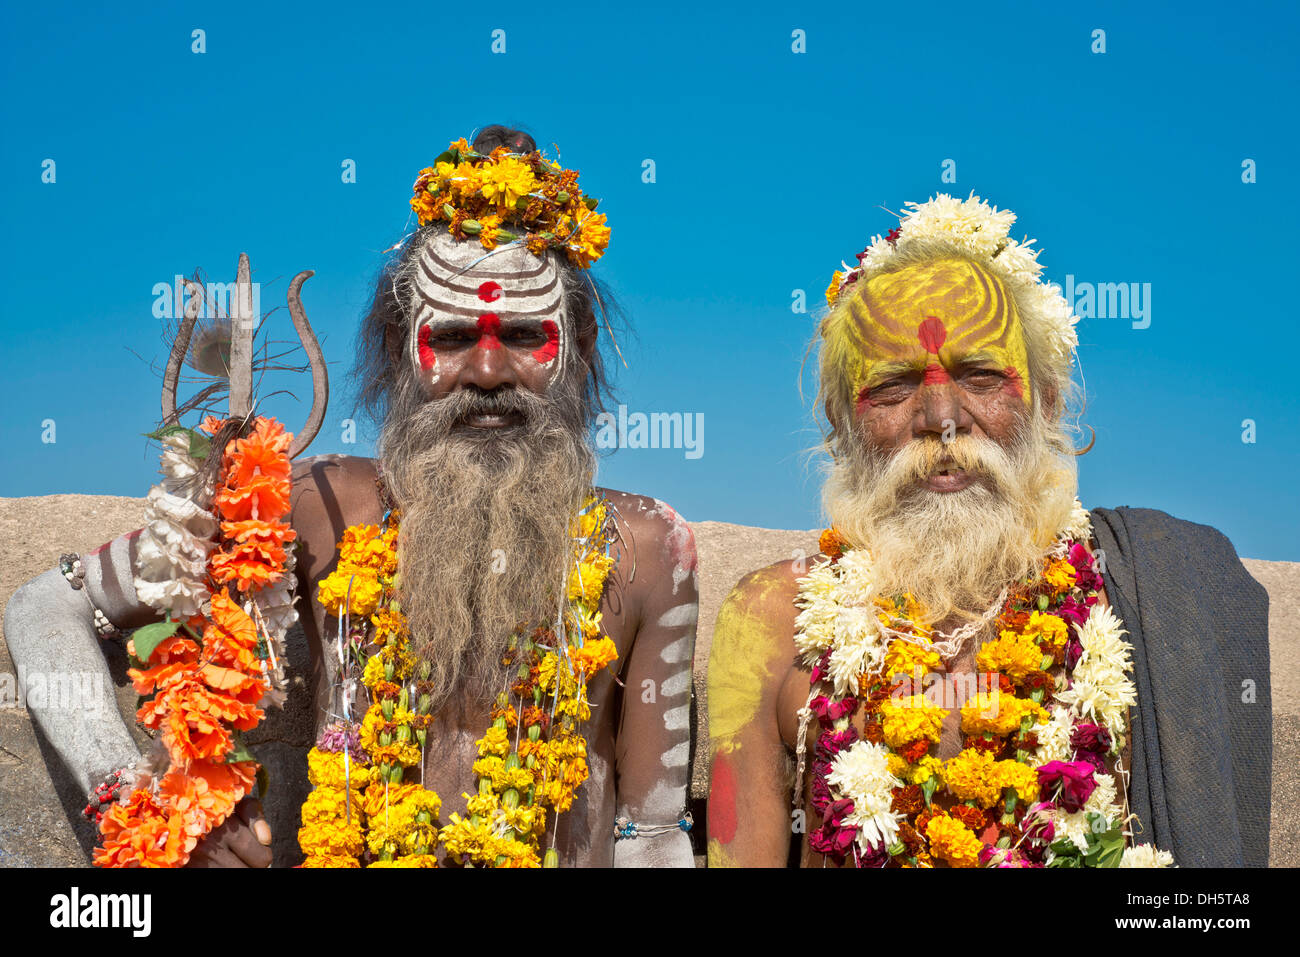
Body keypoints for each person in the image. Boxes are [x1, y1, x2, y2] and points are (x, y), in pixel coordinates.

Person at [5, 125, 698, 868]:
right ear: (403, 341)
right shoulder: (323, 506)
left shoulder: (649, 549)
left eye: (527, 336)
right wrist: (140, 802)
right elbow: (47, 606)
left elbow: (652, 832)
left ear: (581, 345)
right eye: (455, 336)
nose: (489, 370)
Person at [705, 194, 1270, 868]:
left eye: (980, 376)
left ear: (1047, 400)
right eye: (893, 384)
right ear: (841, 421)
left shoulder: (1143, 589)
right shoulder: (768, 620)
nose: (942, 416)